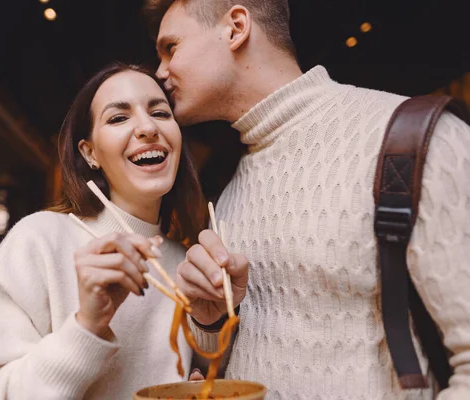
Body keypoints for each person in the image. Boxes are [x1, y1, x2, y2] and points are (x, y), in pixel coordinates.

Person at [144, 0, 470, 398]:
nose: (159, 71)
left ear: (236, 27)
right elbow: (239, 367)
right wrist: (212, 324)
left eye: (170, 48)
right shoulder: (228, 197)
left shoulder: (415, 142)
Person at [0, 62, 206, 400]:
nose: (147, 127)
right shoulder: (40, 240)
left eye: (160, 112)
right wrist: (86, 327)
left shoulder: (185, 262)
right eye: (118, 118)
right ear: (90, 152)